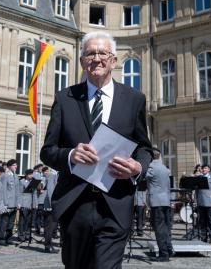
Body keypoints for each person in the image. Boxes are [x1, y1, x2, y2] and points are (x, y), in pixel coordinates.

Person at [40, 31, 153, 269]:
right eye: (90, 53)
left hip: (116, 202)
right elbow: (48, 151)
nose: (97, 58)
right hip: (75, 203)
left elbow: (144, 147)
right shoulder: (65, 98)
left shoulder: (134, 99)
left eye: (103, 53)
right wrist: (70, 155)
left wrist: (138, 167)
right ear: (82, 61)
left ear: (113, 60)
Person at [146, 150, 173, 262]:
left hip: (156, 202)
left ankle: (164, 254)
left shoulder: (151, 168)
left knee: (159, 228)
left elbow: (140, 175)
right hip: (166, 200)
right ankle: (169, 249)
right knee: (165, 227)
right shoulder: (165, 169)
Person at [196, 164, 211, 243]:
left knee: (210, 221)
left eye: (205, 168)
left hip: (209, 202)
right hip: (201, 202)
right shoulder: (200, 178)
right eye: (203, 168)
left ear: (209, 169)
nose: (204, 169)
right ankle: (203, 237)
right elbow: (197, 191)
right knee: (202, 221)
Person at [0, 159, 20, 244]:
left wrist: (18, 202)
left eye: (16, 165)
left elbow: (18, 191)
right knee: (4, 221)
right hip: (7, 203)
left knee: (11, 222)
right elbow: (3, 190)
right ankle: (1, 238)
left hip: (14, 203)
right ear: (10, 166)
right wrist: (5, 203)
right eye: (14, 165)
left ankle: (8, 238)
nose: (16, 167)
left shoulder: (16, 176)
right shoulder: (5, 176)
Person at [41, 166, 59, 253]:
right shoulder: (52, 175)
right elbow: (50, 191)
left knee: (51, 226)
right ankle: (48, 246)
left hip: (53, 205)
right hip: (51, 206)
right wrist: (53, 205)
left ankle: (48, 246)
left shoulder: (55, 175)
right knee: (50, 227)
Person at [18, 169, 36, 241]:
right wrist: (19, 203)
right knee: (22, 220)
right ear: (27, 175)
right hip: (24, 203)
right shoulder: (21, 182)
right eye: (30, 174)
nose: (32, 176)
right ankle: (21, 235)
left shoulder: (33, 182)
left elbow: (34, 193)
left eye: (32, 174)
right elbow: (19, 193)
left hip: (30, 203)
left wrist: (35, 203)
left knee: (29, 220)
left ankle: (27, 234)